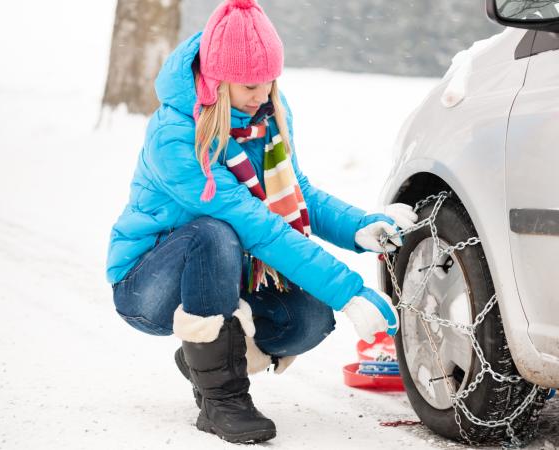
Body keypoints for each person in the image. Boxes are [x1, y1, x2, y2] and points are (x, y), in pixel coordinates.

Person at [105, 0, 417, 443]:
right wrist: (348, 289)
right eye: (250, 85)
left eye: (270, 82)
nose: (261, 95)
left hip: (227, 275)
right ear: (216, 80)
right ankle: (223, 400)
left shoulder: (266, 111)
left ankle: (207, 357)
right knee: (213, 233)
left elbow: (295, 192)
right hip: (149, 286)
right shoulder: (175, 136)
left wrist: (357, 227)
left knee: (308, 319)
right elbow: (257, 223)